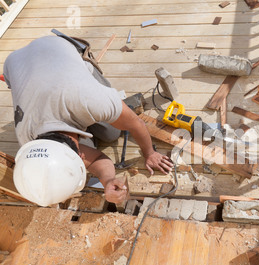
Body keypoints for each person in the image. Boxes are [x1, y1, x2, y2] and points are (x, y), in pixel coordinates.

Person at [2, 35, 174, 206]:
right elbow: (97, 159)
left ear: (80, 154)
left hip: (57, 46)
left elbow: (137, 124)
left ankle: (101, 103)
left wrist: (150, 153)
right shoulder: (28, 145)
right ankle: (86, 126)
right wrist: (108, 181)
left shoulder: (92, 100)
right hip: (13, 62)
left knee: (111, 132)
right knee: (105, 133)